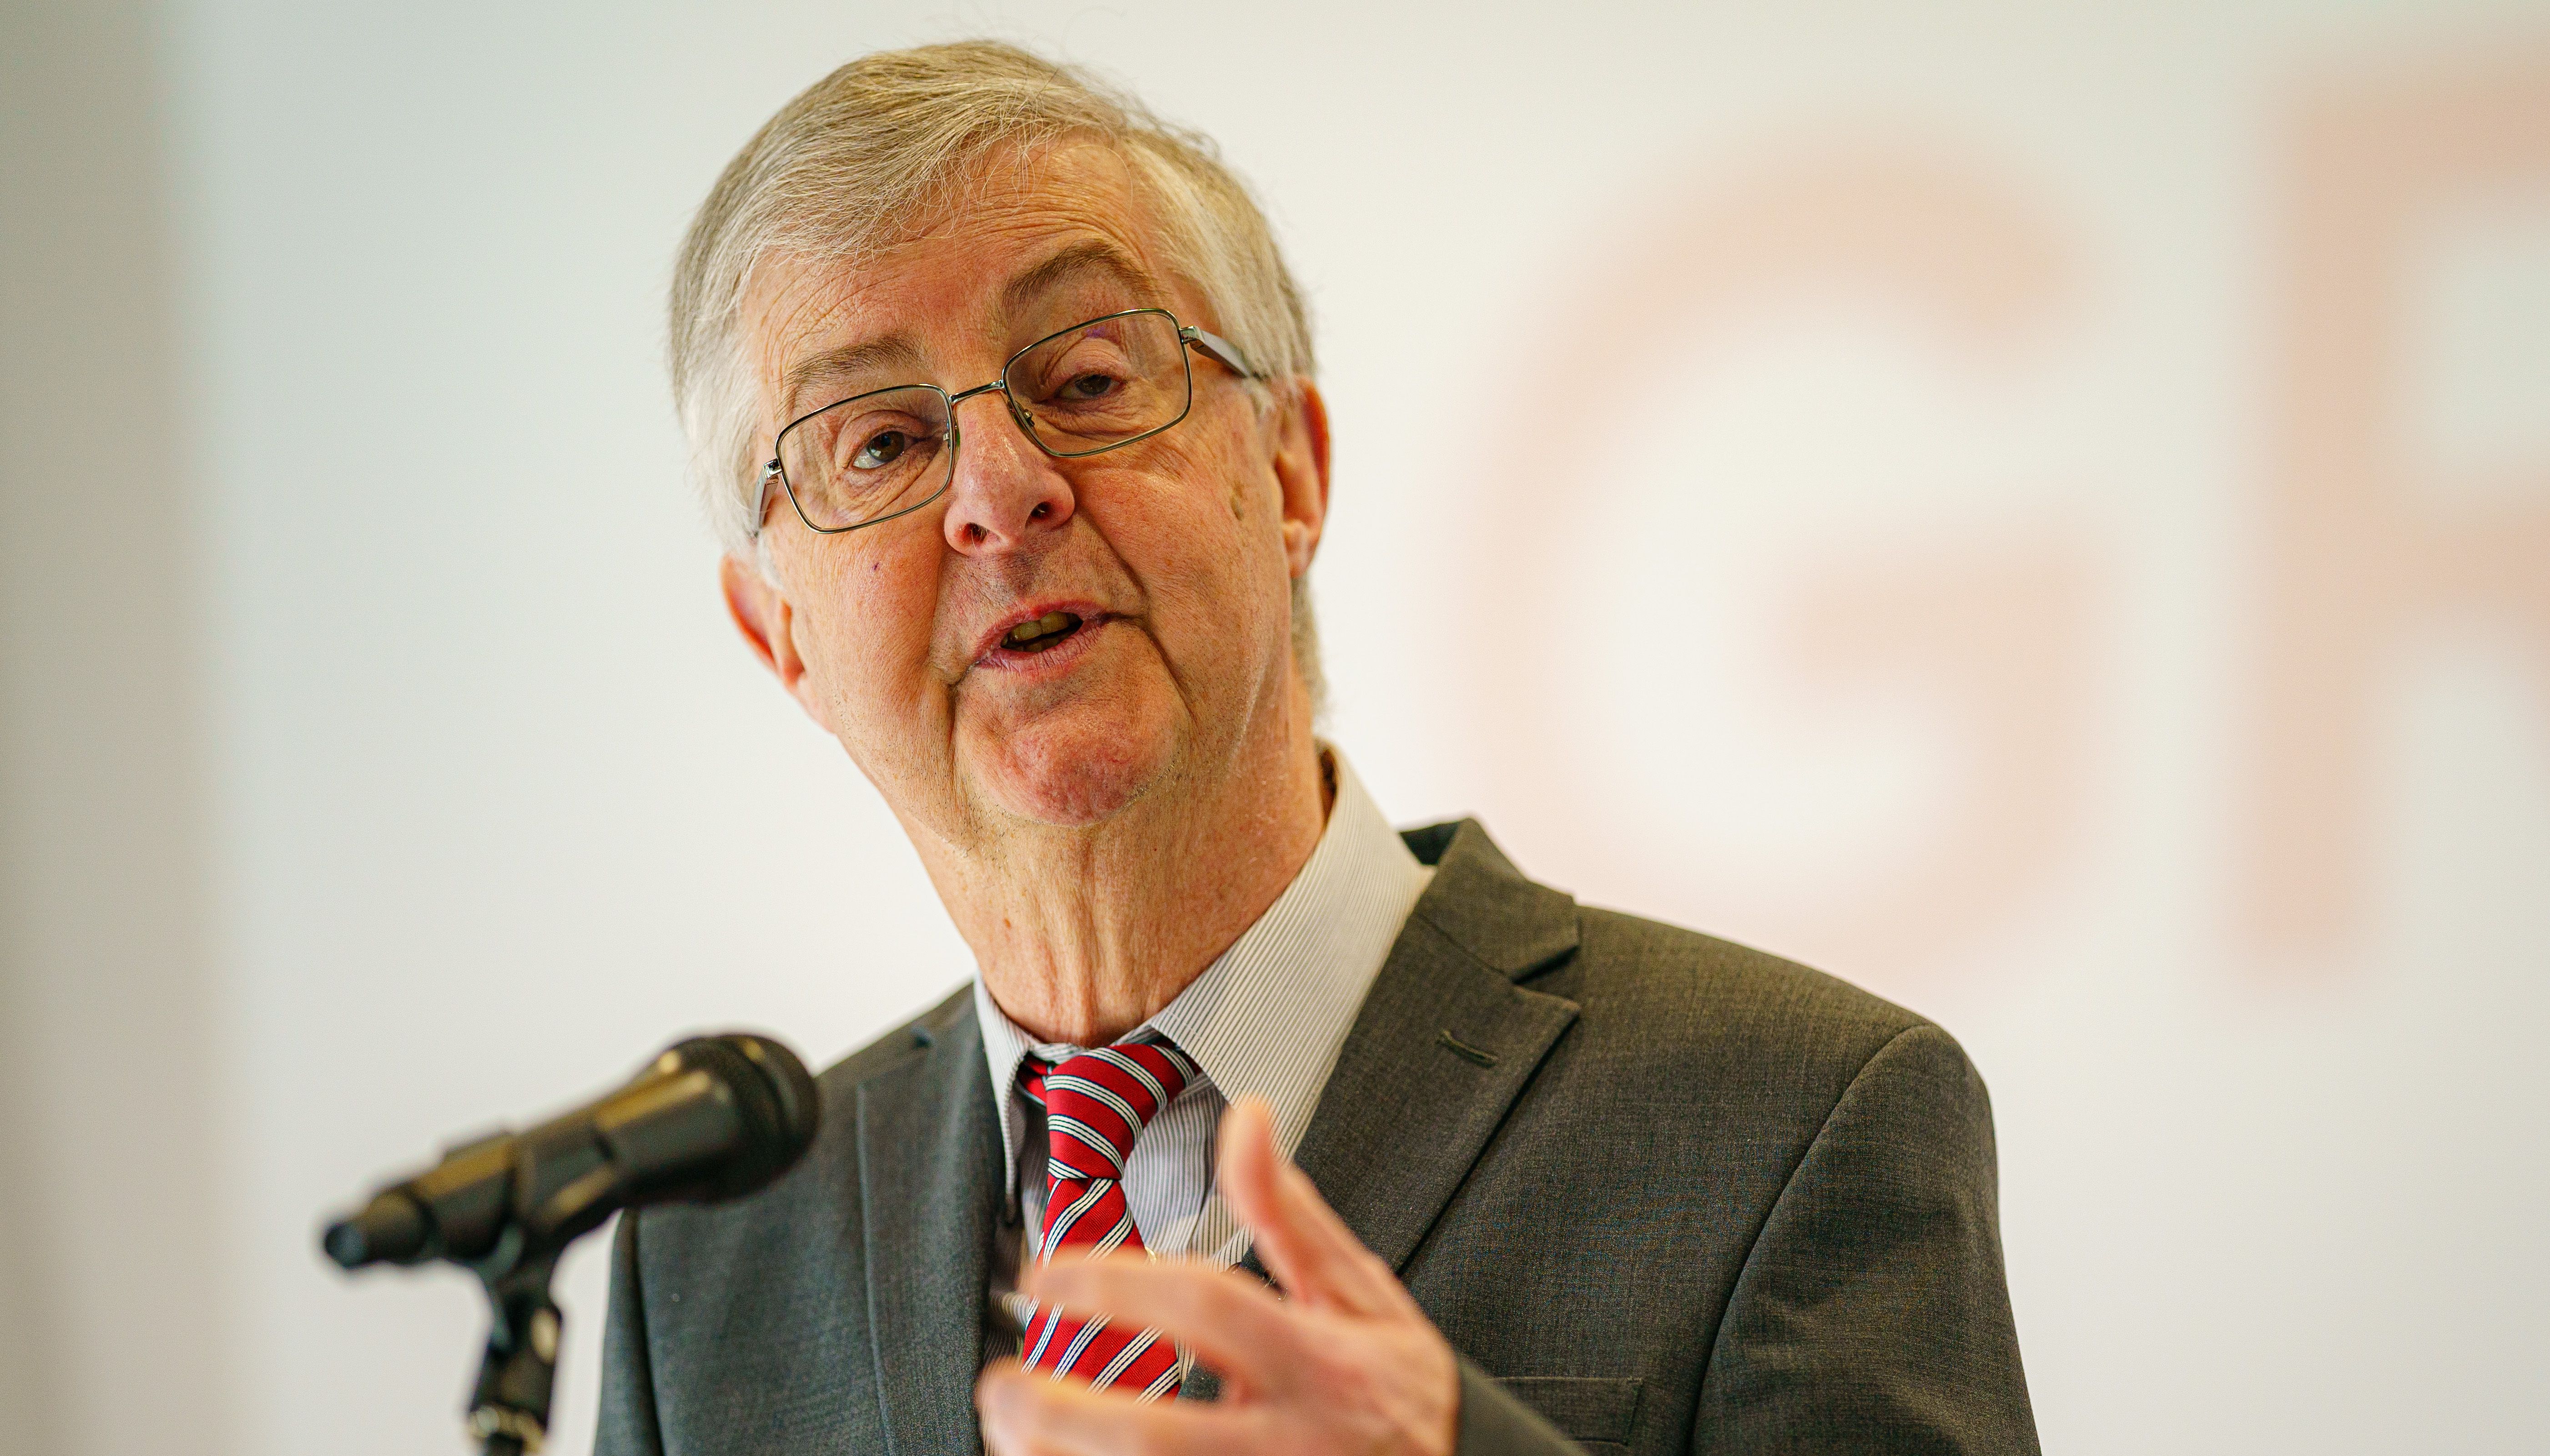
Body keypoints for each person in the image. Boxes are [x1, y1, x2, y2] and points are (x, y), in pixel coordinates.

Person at [597, 40, 2038, 1456]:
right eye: (880, 442)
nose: (1002, 492)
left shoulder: (1793, 1118)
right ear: (779, 632)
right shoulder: (715, 1262)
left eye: (1089, 379)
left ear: (1291, 471)